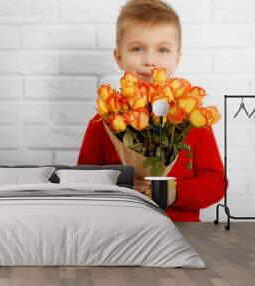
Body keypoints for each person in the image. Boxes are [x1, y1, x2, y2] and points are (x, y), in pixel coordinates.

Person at [77, 0, 225, 222]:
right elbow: (81, 183)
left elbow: (215, 183)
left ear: (177, 57)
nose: (150, 61)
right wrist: (121, 186)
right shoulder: (103, 122)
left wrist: (176, 193)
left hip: (182, 234)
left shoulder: (193, 120)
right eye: (137, 49)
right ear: (119, 57)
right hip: (119, 231)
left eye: (162, 49)